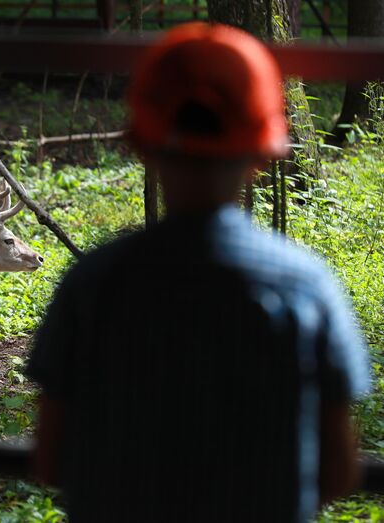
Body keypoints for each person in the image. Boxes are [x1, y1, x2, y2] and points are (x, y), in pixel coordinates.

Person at [27, 23, 370, 523]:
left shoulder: (93, 283)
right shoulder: (308, 286)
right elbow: (338, 469)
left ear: (140, 144)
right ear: (261, 154)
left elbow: (51, 458)